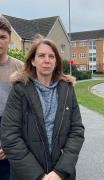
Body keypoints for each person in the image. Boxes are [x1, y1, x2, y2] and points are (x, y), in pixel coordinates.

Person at [1, 36, 85, 180]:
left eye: (51, 56)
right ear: (33, 61)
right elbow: (10, 135)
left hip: (62, 175)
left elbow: (77, 131)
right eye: (41, 55)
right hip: (27, 175)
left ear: (56, 61)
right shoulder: (20, 90)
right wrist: (38, 176)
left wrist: (60, 171)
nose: (47, 60)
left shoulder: (67, 89)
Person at [0, 15, 23, 180]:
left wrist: (8, 142)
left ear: (9, 39)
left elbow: (26, 109)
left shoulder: (20, 68)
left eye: (3, 37)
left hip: (10, 134)